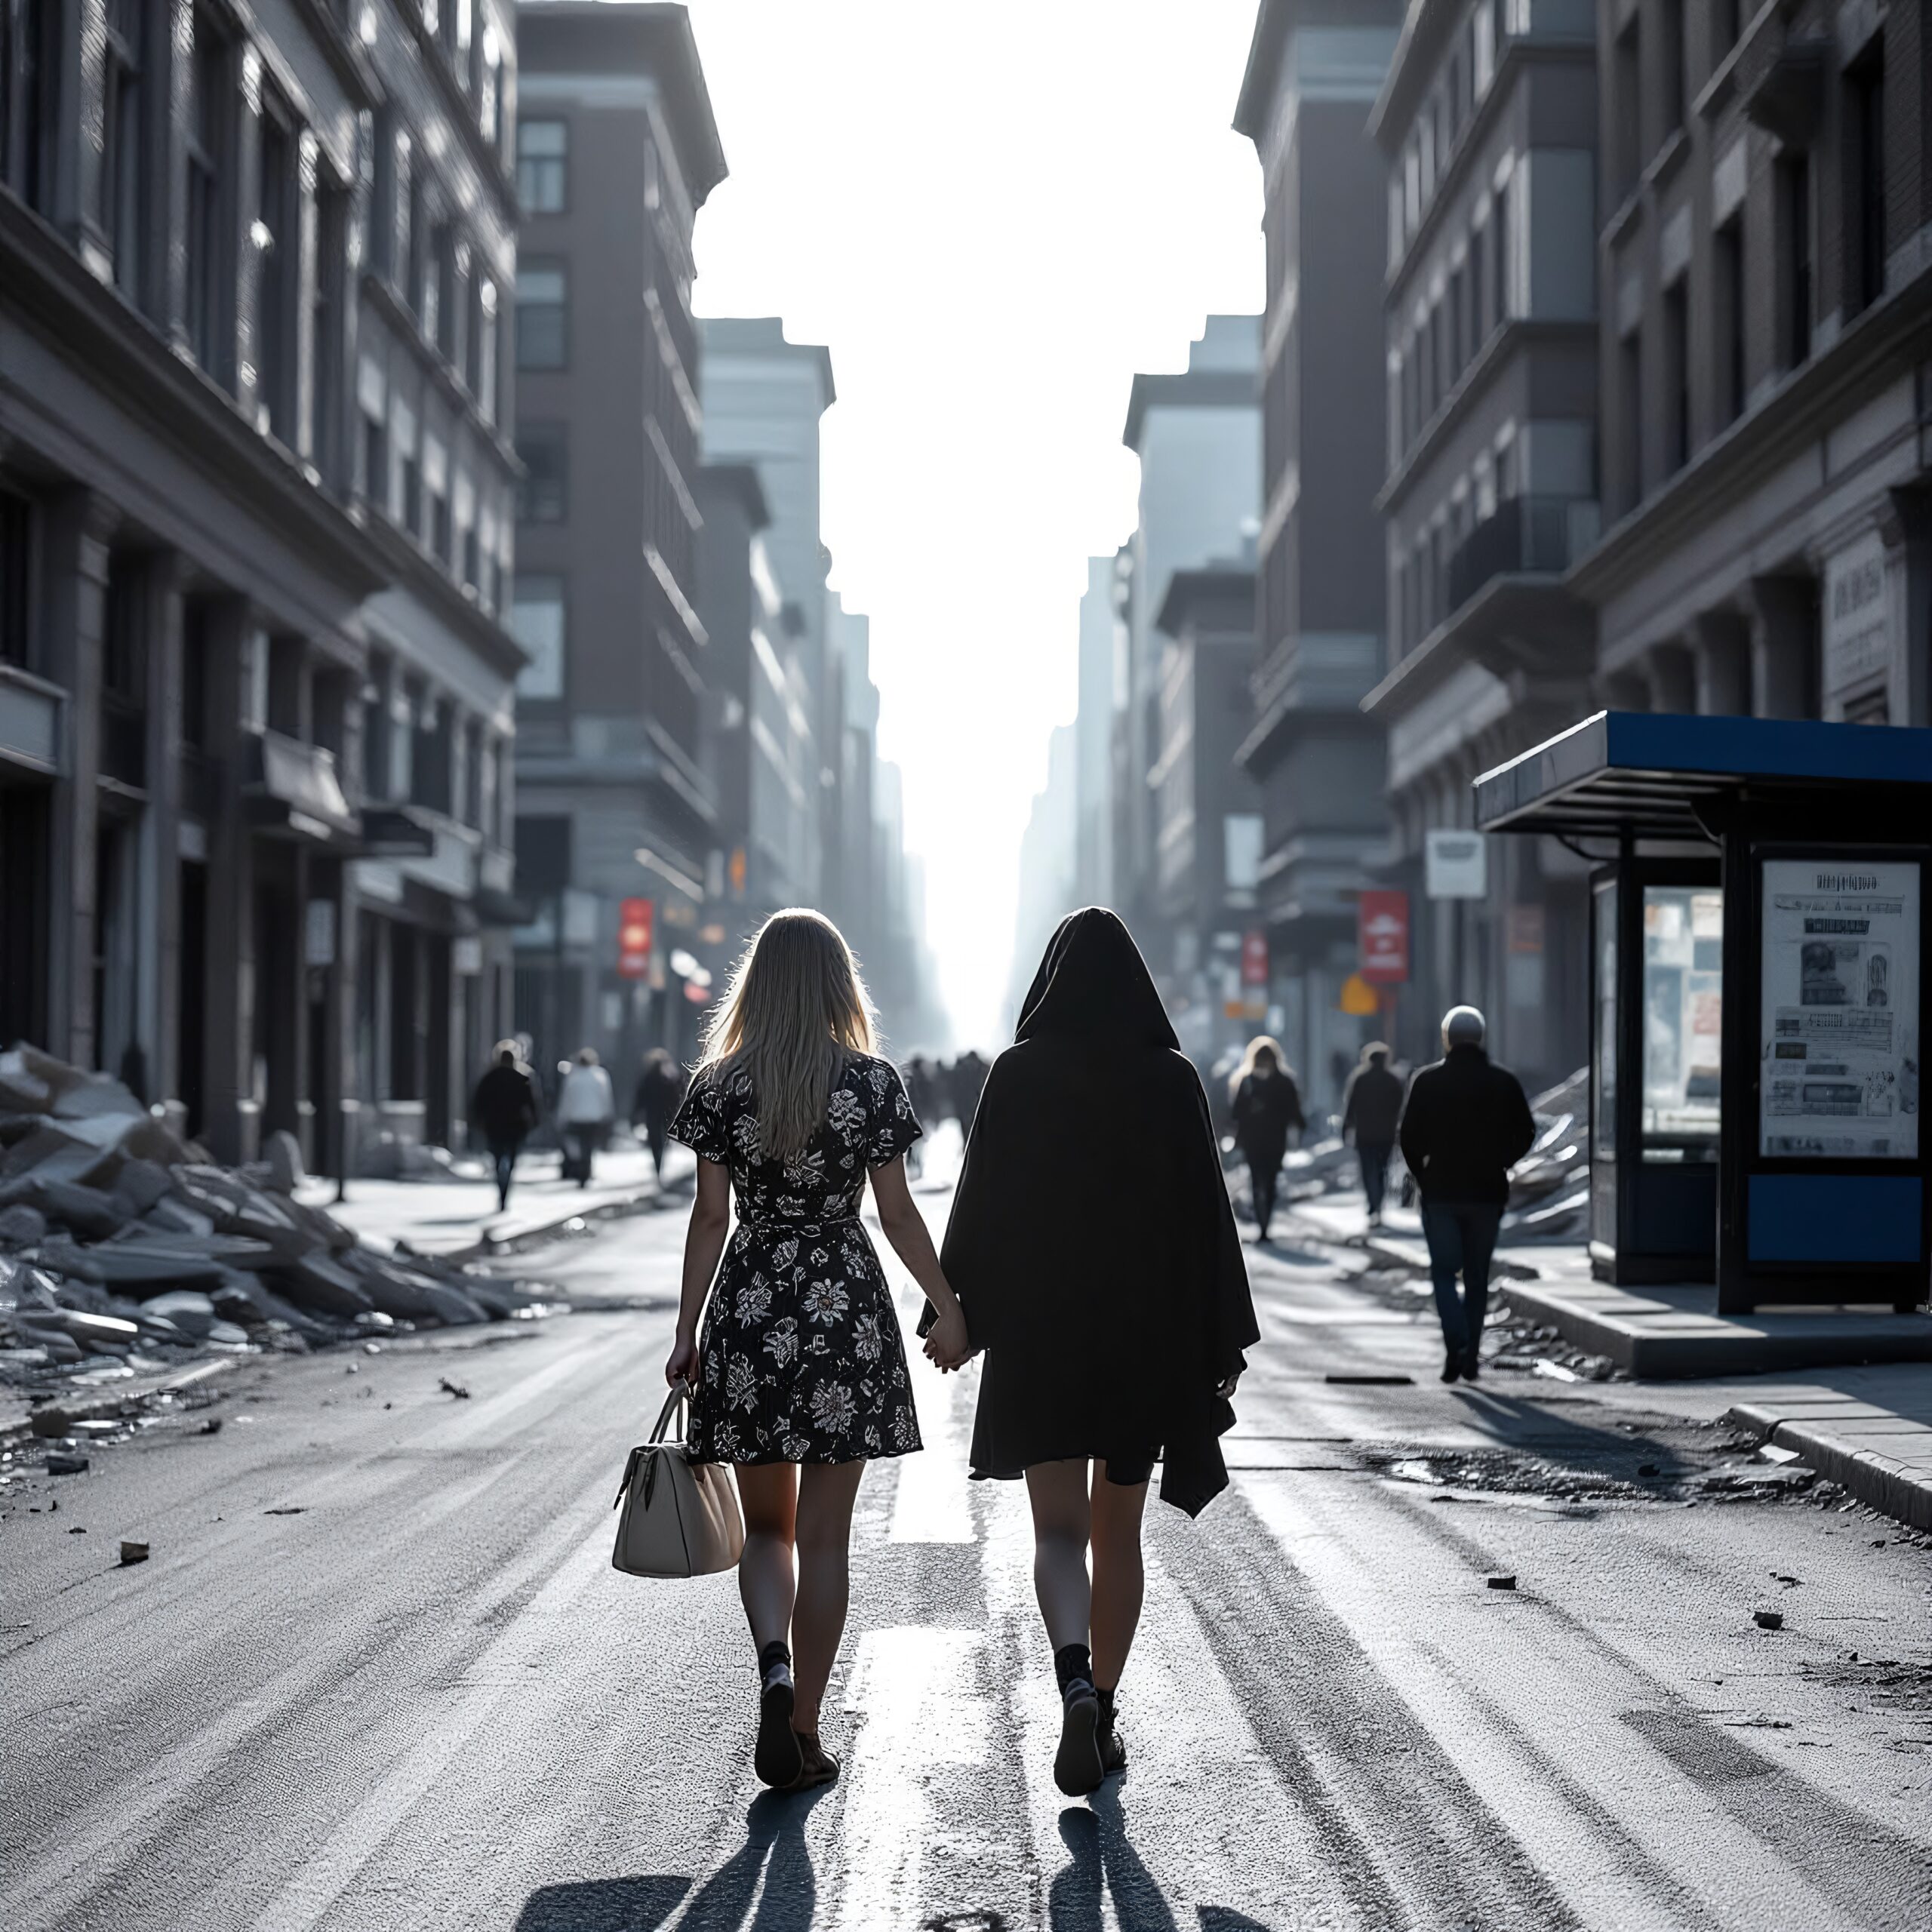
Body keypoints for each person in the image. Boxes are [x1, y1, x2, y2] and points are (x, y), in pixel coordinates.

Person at [931, 908, 1257, 1798]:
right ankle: (1103, 1709)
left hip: (1043, 1337)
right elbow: (1207, 1217)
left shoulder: (1017, 1074)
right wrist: (1219, 1335)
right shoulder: (1171, 1078)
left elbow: (982, 1203)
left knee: (1057, 1532)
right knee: (1119, 1534)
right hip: (1143, 1342)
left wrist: (953, 1310)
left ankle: (1070, 1677)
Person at [665, 909, 971, 1793]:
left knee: (769, 1528)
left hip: (753, 1304)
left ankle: (772, 1666)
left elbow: (709, 1218)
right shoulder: (872, 1084)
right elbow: (899, 1214)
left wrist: (687, 1332)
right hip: (843, 1307)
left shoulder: (718, 1087)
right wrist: (946, 1305)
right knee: (826, 1540)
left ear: (755, 983)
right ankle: (803, 1731)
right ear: (840, 983)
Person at [1397, 1005, 1536, 1383]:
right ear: (1481, 1037)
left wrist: (1422, 1173)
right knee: (1476, 1276)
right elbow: (1526, 1132)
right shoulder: (1502, 1082)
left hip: (1440, 1191)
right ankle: (1471, 1355)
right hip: (1486, 1193)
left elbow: (1408, 1137)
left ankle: (1455, 1344)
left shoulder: (1426, 1082)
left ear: (1446, 1038)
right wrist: (1502, 1161)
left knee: (1443, 1272)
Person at [1228, 1037, 1304, 1243]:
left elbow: (1236, 1113)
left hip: (1256, 1140)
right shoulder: (1285, 1081)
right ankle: (1264, 1224)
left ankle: (1263, 1224)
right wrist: (1299, 1125)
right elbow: (1294, 1111)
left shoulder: (1246, 1081)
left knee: (1259, 1181)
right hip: (1274, 1140)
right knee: (1268, 1182)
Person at [469, 1041, 540, 1213]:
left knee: (497, 1156)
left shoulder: (489, 1078)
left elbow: (478, 1103)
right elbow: (531, 1104)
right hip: (515, 1126)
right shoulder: (521, 1079)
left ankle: (500, 1183)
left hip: (494, 1125)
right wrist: (534, 1121)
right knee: (511, 1157)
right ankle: (505, 1190)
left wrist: (478, 1121)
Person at [1340, 1041, 1405, 1227]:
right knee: (1381, 1170)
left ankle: (1373, 1202)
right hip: (1386, 1133)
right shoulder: (1393, 1080)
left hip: (1365, 1134)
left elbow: (1350, 1106)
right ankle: (1378, 1204)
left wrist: (1346, 1129)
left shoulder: (1360, 1079)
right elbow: (1399, 1107)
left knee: (1368, 1170)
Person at [556, 1048, 615, 1188]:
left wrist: (562, 1116)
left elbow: (566, 1099)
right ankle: (586, 1170)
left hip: (576, 1116)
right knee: (589, 1145)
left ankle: (582, 1170)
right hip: (595, 1117)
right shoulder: (600, 1075)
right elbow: (606, 1097)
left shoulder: (573, 1076)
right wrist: (608, 1114)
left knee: (581, 1145)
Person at [631, 1048, 685, 1184]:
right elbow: (679, 1094)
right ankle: (660, 1163)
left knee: (655, 1141)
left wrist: (635, 1113)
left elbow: (640, 1096)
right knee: (664, 1140)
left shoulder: (648, 1076)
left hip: (653, 1113)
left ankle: (658, 1166)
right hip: (667, 1114)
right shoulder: (670, 1075)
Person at [950, 1049, 989, 1140]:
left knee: (968, 1132)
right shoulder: (980, 1068)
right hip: (971, 1104)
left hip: (968, 1105)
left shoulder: (961, 1070)